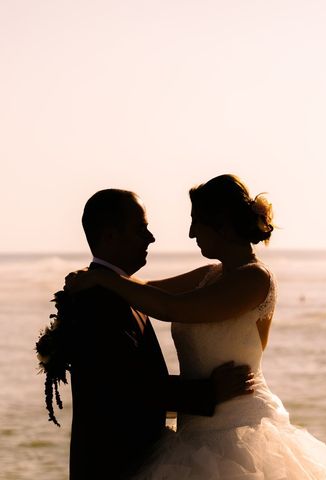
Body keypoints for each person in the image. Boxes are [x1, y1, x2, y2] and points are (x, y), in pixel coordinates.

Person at [65, 175, 326, 479]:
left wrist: (104, 278)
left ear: (220, 225)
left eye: (196, 221)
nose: (191, 233)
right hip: (193, 428)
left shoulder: (254, 279)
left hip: (239, 429)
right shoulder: (209, 275)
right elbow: (147, 290)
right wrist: (97, 277)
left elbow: (171, 308)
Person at [66, 189, 254, 480]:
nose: (151, 237)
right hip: (115, 465)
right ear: (110, 236)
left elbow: (160, 301)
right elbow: (127, 387)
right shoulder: (98, 301)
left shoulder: (119, 291)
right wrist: (210, 391)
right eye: (140, 229)